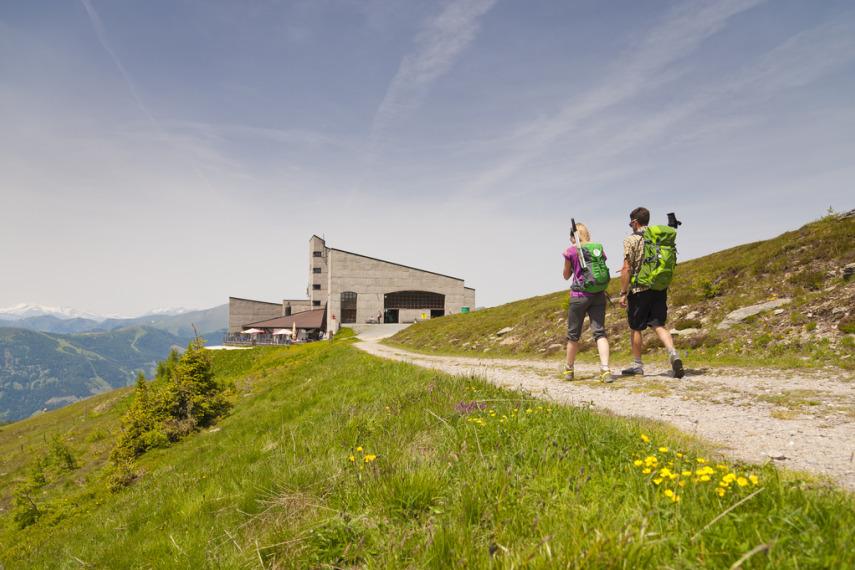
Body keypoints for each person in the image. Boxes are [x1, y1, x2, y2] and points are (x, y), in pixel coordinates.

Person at [619, 207, 685, 378]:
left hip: (639, 289)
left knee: (636, 327)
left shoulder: (631, 240)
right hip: (659, 287)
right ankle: (673, 354)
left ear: (635, 222)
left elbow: (627, 268)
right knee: (658, 324)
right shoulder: (659, 237)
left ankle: (637, 365)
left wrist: (623, 292)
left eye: (630, 222)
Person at [562, 223, 612, 382]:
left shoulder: (571, 250)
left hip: (579, 295)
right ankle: (605, 369)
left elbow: (565, 275)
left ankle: (569, 369)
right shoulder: (597, 247)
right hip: (598, 293)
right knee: (599, 332)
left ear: (572, 236)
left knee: (573, 335)